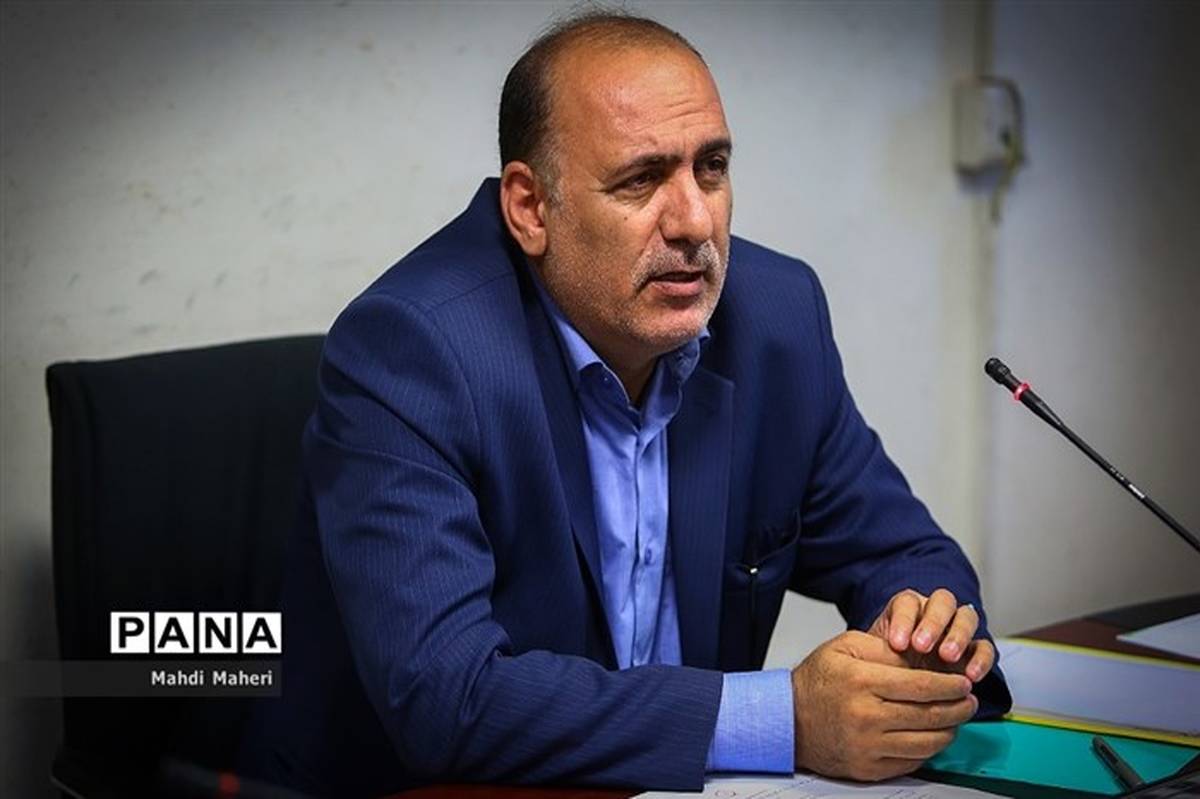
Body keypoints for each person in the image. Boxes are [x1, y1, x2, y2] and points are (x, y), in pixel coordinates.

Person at [241, 11, 1011, 797]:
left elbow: (904, 553)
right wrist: (786, 716)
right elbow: (448, 696)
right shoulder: (414, 351)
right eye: (641, 180)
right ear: (531, 208)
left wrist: (923, 635)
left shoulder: (774, 319)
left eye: (711, 168)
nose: (694, 221)